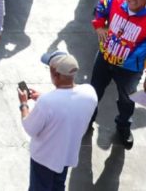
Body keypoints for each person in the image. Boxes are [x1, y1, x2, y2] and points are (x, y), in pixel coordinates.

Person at [90, 0, 146, 149]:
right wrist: (99, 26)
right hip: (104, 59)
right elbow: (100, 7)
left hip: (130, 70)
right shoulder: (116, 1)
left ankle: (123, 127)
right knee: (93, 93)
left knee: (127, 101)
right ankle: (87, 119)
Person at [18, 51, 98, 190]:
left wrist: (24, 104)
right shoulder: (90, 92)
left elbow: (30, 127)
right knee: (58, 186)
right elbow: (69, 105)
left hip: (44, 158)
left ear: (55, 74)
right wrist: (41, 98)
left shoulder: (47, 102)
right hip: (67, 155)